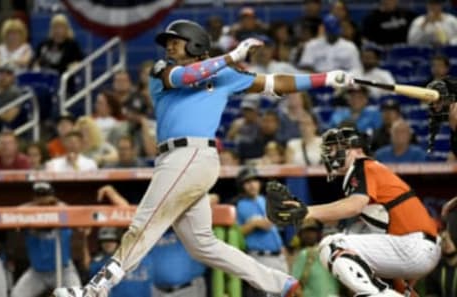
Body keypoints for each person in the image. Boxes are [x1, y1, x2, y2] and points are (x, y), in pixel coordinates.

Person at [53, 19, 353, 297]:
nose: (169, 46)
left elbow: (274, 82)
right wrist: (230, 57)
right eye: (167, 41)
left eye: (176, 40)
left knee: (143, 225)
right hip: (177, 158)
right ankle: (282, 283)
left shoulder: (224, 75)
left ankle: (94, 290)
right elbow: (186, 77)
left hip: (192, 155)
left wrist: (326, 78)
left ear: (195, 43)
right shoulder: (162, 70)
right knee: (202, 245)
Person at [268, 126, 440, 296]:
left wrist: (306, 212)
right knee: (351, 238)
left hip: (413, 245)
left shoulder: (363, 165)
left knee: (333, 245)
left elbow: (353, 205)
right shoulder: (370, 170)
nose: (332, 153)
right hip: (414, 246)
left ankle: (377, 294)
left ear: (356, 149)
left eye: (337, 147)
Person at [96, 185, 207, 297]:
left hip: (189, 289)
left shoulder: (182, 221)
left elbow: (212, 199)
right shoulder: (148, 228)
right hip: (158, 291)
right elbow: (128, 213)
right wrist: (113, 194)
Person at [11, 182, 82, 297]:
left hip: (64, 270)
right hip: (37, 273)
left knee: (78, 295)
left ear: (53, 197)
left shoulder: (63, 212)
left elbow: (83, 224)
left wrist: (53, 208)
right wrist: (34, 211)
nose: (43, 200)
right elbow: (13, 214)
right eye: (39, 196)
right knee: (16, 295)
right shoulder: (26, 215)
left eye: (46, 196)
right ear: (33, 199)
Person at [235, 166, 288, 297]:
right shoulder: (242, 204)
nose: (252, 185)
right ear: (242, 186)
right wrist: (255, 223)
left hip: (278, 257)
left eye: (254, 180)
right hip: (260, 257)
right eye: (247, 182)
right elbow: (267, 224)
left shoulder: (263, 200)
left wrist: (282, 247)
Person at [83, 227, 153, 297]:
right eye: (104, 241)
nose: (108, 244)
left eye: (112, 240)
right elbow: (87, 266)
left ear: (118, 242)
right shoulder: (102, 262)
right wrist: (84, 237)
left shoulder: (145, 257)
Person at [291, 219, 340, 297]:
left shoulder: (332, 251)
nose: (309, 235)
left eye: (312, 231)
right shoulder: (303, 254)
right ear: (300, 234)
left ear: (318, 234)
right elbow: (293, 282)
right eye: (306, 232)